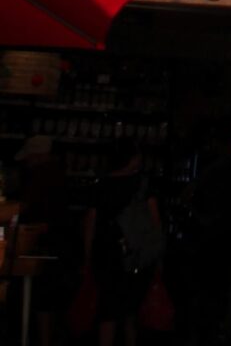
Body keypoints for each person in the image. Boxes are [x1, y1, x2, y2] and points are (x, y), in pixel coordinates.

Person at [83, 144, 163, 346]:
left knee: (108, 309)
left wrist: (88, 256)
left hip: (107, 253)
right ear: (133, 159)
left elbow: (90, 224)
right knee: (132, 309)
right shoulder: (142, 185)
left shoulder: (100, 186)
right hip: (138, 254)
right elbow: (155, 221)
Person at [15, 135, 67, 346]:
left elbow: (25, 207)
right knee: (49, 296)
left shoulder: (40, 176)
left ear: (36, 156)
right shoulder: (59, 173)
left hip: (42, 242)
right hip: (56, 241)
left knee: (41, 295)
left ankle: (40, 339)